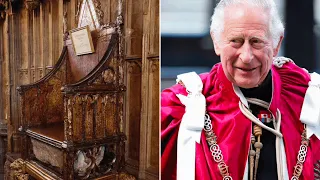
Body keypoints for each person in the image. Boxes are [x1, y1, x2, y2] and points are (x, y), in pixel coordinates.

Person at [161, 0, 320, 180]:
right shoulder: (176, 108)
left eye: (256, 42)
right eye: (235, 41)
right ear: (217, 42)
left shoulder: (312, 100)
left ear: (276, 44)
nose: (246, 57)